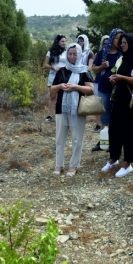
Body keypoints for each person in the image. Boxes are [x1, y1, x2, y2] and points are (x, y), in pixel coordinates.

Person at [102, 33, 133, 177]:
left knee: (129, 132)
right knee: (114, 129)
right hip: (119, 98)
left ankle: (128, 163)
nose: (122, 45)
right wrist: (115, 79)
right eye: (121, 43)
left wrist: (121, 77)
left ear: (132, 43)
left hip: (131, 100)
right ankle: (113, 158)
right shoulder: (123, 59)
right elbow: (122, 77)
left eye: (125, 43)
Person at [51, 43, 94, 178]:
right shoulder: (62, 71)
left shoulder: (84, 71)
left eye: (75, 54)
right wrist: (60, 86)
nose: (72, 56)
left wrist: (76, 87)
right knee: (60, 139)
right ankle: (59, 165)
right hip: (61, 109)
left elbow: (91, 89)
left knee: (77, 139)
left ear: (80, 55)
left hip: (78, 109)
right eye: (70, 54)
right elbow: (52, 90)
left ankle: (73, 165)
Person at [91, 29, 124, 151]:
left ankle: (115, 142)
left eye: (120, 39)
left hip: (118, 89)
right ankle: (103, 142)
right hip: (104, 88)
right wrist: (102, 66)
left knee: (116, 116)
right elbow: (94, 69)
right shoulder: (102, 53)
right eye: (116, 38)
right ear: (111, 39)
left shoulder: (122, 54)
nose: (118, 41)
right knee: (104, 117)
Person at [44, 35, 67, 122]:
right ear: (57, 42)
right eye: (62, 41)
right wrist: (53, 67)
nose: (64, 43)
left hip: (63, 75)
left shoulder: (66, 52)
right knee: (52, 96)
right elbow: (46, 64)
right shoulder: (51, 52)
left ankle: (62, 115)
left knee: (63, 96)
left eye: (65, 41)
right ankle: (50, 115)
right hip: (53, 75)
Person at [91, 35, 109, 132]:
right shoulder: (99, 54)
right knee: (99, 105)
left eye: (108, 43)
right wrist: (102, 66)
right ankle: (99, 124)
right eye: (104, 43)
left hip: (109, 84)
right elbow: (94, 68)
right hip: (98, 82)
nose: (106, 45)